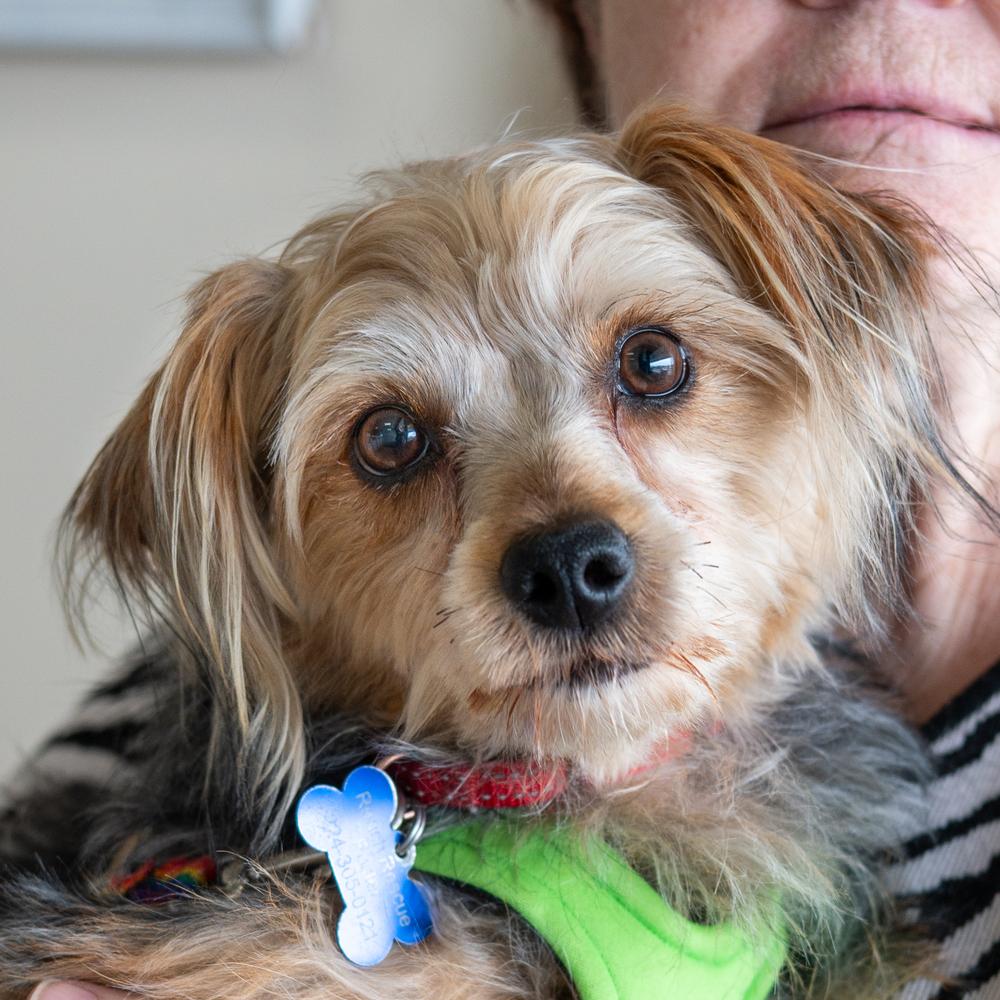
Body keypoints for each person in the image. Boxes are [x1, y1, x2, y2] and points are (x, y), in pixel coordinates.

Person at [30, 2, 1000, 996]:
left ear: (813, 314)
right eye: (392, 444)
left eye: (651, 368)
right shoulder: (188, 701)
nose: (565, 547)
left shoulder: (822, 873)